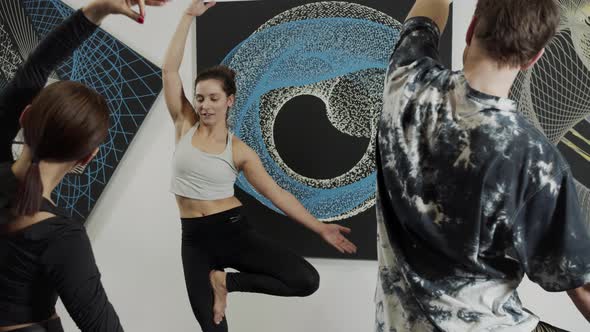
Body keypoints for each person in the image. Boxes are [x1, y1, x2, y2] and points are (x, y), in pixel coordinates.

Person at [375, 0, 590, 331]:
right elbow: (579, 286)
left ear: (472, 27)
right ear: (534, 57)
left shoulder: (405, 80)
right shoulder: (533, 158)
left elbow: (429, 7)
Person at [162, 1, 357, 330]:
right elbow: (169, 70)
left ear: (229, 100)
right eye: (200, 97)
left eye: (213, 98)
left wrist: (321, 228)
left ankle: (225, 282)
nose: (205, 105)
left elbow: (278, 195)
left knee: (305, 280)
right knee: (211, 327)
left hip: (232, 231)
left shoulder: (239, 151)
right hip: (194, 239)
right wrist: (186, 17)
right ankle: (217, 284)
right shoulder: (184, 123)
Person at [0, 1, 167, 331]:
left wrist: (100, 8)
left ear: (23, 117)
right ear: (87, 159)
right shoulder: (61, 237)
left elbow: (37, 66)